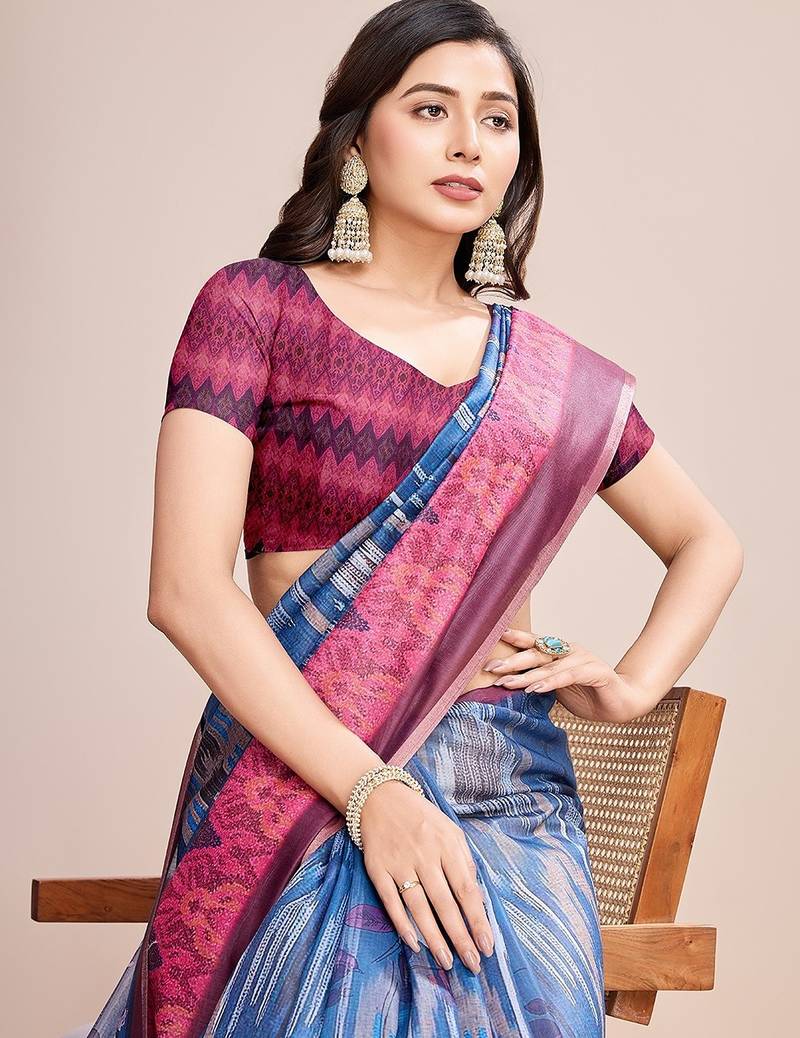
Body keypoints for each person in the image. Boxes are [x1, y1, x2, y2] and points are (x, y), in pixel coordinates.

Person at [87, 2, 743, 1036]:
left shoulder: (545, 378)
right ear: (356, 140)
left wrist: (627, 687)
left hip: (501, 796)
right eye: (431, 108)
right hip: (304, 769)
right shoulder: (255, 309)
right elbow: (186, 591)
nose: (467, 143)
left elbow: (708, 543)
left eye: (497, 119)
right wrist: (371, 795)